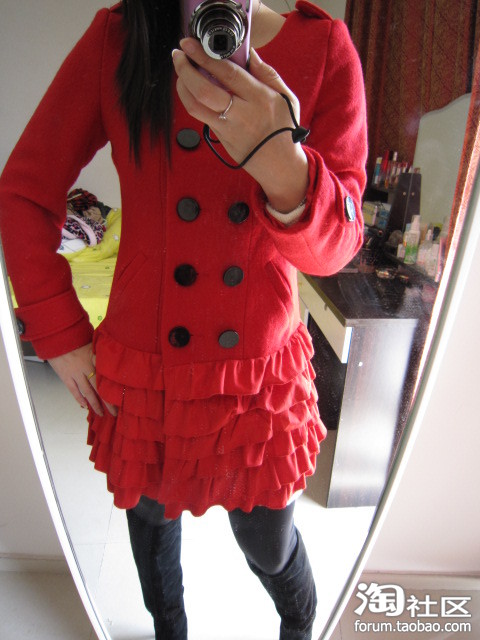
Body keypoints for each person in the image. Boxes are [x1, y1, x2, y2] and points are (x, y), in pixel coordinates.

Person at [0, 1, 367, 638]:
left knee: (268, 544)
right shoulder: (121, 36)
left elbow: (334, 251)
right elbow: (25, 191)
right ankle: (168, 629)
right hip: (143, 368)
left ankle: (301, 621)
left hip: (255, 376)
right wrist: (56, 329)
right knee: (150, 525)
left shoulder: (323, 49)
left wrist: (281, 161)